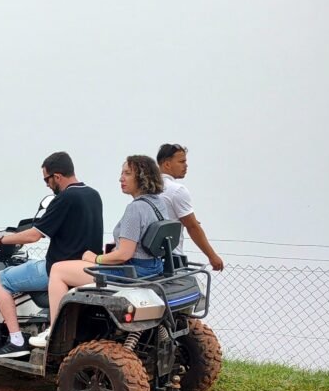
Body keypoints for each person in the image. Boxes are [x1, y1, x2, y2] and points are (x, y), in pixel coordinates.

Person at [36, 154, 175, 348]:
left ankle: (53, 331)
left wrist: (97, 258)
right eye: (121, 173)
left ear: (142, 177)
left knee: (58, 270)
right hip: (152, 268)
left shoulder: (135, 209)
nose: (121, 178)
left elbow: (124, 254)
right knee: (80, 265)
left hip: (129, 271)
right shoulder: (158, 202)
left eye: (127, 173)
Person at [0, 151, 103, 358]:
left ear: (57, 176)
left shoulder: (65, 198)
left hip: (57, 269)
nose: (46, 184)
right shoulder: (93, 194)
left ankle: (16, 341)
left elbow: (33, 236)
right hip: (87, 268)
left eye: (46, 179)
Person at [156, 143, 225, 271]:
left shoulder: (147, 188)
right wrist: (212, 256)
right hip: (171, 258)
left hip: (148, 258)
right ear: (167, 164)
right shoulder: (176, 190)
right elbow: (192, 227)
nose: (186, 165)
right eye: (181, 161)